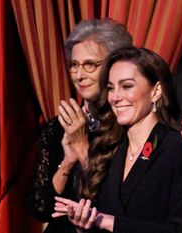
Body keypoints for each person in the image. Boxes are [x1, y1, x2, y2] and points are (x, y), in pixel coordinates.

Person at [52, 47, 182, 233]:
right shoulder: (108, 147)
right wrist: (83, 225)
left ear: (156, 91)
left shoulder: (178, 148)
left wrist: (108, 222)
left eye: (127, 86)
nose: (115, 97)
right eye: (110, 88)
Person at [27, 18, 133, 233]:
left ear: (115, 66)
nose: (79, 75)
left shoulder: (128, 126)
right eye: (74, 65)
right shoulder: (57, 127)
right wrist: (67, 161)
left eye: (90, 65)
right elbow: (39, 208)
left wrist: (83, 147)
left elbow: (115, 206)